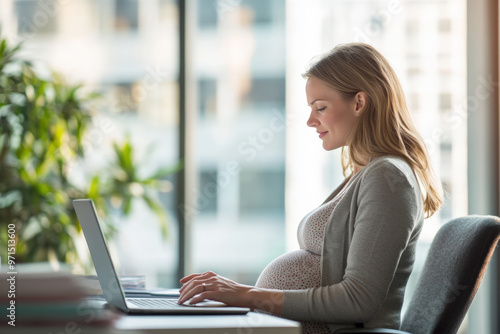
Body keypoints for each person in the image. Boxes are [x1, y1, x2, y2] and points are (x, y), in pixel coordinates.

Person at [177, 42, 443, 333]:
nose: (310, 120)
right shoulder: (364, 173)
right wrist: (240, 296)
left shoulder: (389, 178)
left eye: (321, 108)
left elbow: (358, 300)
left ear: (359, 103)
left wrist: (244, 295)